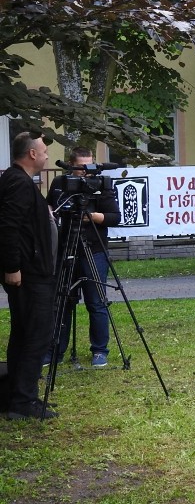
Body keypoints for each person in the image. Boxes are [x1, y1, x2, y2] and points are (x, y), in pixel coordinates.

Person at [0, 132, 57, 419]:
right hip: (29, 274)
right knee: (36, 334)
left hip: (30, 271)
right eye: (44, 150)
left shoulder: (18, 181)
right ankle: (24, 401)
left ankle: (16, 395)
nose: (47, 155)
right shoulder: (19, 183)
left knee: (25, 333)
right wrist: (12, 267)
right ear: (32, 154)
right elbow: (8, 227)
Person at [46, 147, 120, 368]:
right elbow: (51, 207)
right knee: (62, 301)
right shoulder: (60, 184)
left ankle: (99, 350)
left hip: (93, 249)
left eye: (89, 167)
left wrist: (92, 217)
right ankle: (55, 351)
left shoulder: (100, 185)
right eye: (81, 169)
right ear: (71, 165)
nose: (86, 173)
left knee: (96, 302)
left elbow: (114, 217)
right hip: (66, 246)